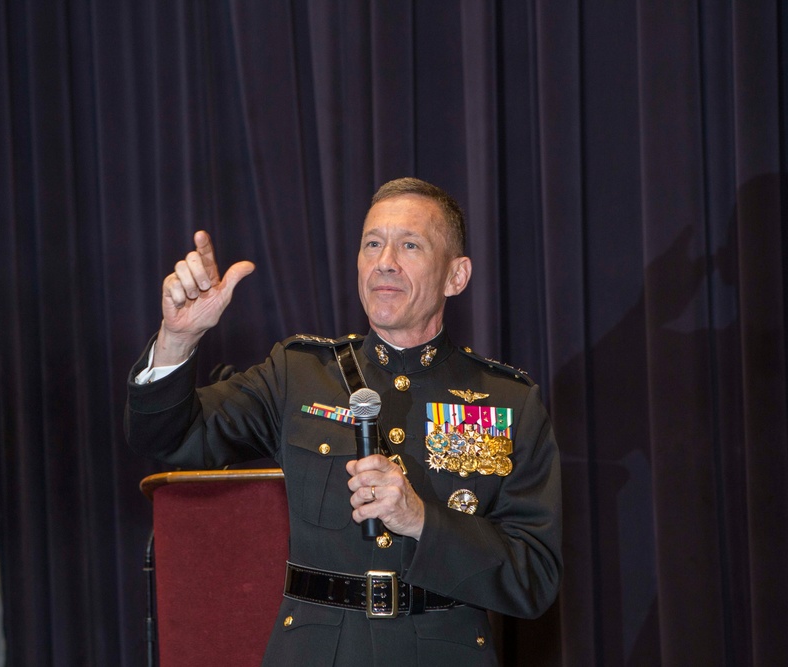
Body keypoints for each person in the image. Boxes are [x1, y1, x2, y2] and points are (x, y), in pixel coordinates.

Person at [126, 177, 562, 666]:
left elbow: (535, 579)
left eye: (410, 244)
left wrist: (422, 521)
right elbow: (169, 438)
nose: (385, 261)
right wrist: (177, 340)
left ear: (456, 276)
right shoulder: (300, 373)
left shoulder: (508, 402)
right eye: (372, 243)